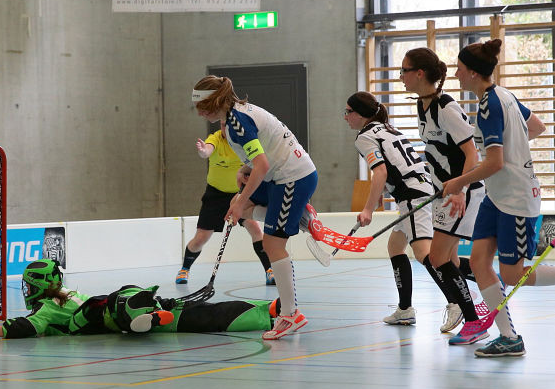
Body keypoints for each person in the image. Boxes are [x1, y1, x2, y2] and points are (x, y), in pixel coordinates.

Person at [443, 38, 553, 357]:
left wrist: (458, 183)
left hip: (516, 198)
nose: (456, 74)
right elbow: (537, 127)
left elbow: (495, 163)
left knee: (511, 274)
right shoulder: (505, 94)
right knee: (479, 261)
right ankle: (509, 337)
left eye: (459, 69)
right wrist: (514, 146)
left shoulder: (490, 105)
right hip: (497, 196)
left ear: (473, 73)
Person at [192, 75, 317, 340]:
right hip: (278, 176)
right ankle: (299, 216)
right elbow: (260, 154)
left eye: (203, 107)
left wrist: (240, 201)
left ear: (216, 101)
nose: (200, 113)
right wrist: (244, 170)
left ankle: (290, 314)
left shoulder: (237, 123)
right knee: (240, 205)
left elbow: (262, 164)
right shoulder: (234, 115)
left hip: (291, 178)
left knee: (272, 244)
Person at [401, 47, 489, 342]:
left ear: (419, 73)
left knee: (437, 257)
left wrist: (460, 189)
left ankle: (474, 321)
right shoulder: (422, 106)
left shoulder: (446, 107)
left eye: (404, 71)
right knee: (449, 260)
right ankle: (487, 287)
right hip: (445, 193)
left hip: (464, 192)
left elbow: (472, 154)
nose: (401, 77)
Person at [0, 259, 282, 339]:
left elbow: (22, 327)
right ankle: (267, 310)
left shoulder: (46, 307)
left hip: (112, 313)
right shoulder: (63, 299)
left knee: (199, 313)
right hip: (115, 306)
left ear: (38, 287)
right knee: (202, 314)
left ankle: (146, 316)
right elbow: (28, 327)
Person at [344, 92, 442, 326]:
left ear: (360, 114)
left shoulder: (364, 137)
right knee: (395, 246)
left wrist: (368, 210)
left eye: (348, 112)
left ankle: (457, 299)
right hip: (420, 188)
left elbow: (381, 171)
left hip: (412, 196)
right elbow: (392, 166)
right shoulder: (389, 129)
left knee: (424, 254)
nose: (345, 117)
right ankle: (405, 309)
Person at [176, 121, 275, 286]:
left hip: (240, 194)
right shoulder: (216, 139)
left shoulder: (244, 141)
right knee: (201, 238)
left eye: (227, 125)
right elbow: (207, 150)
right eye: (222, 125)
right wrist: (203, 151)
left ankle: (269, 270)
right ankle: (185, 269)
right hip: (215, 195)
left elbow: (259, 162)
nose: (225, 128)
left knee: (256, 230)